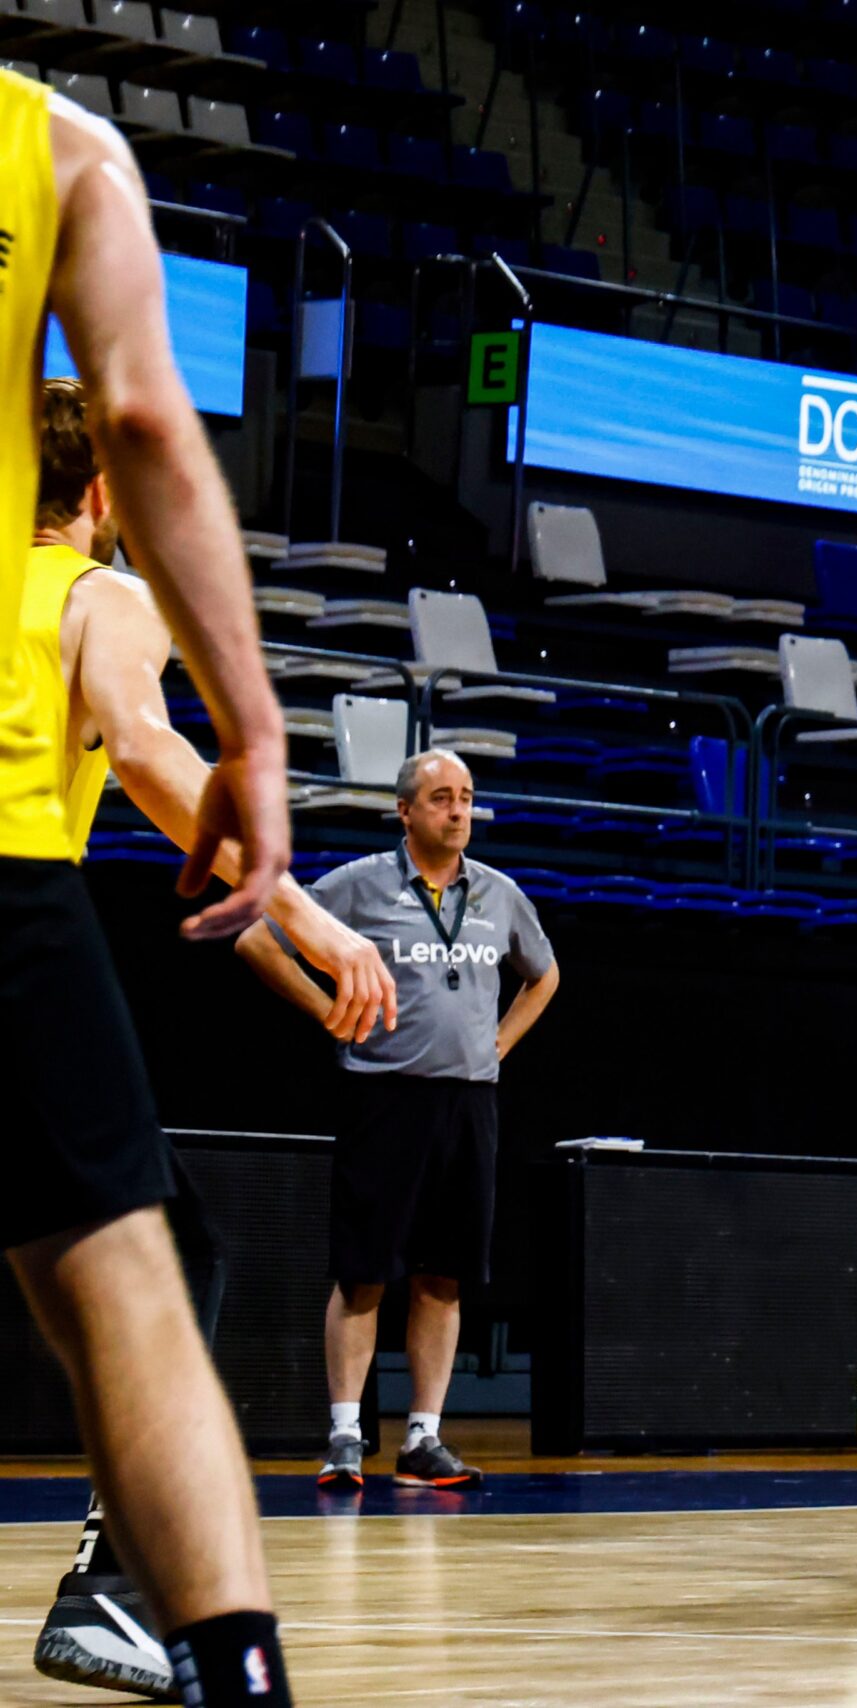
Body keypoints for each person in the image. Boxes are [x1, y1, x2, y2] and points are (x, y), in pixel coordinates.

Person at [21, 376, 399, 1697]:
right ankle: (127, 1587)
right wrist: (321, 924)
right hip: (14, 903)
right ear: (108, 497)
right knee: (167, 1259)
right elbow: (147, 751)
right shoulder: (98, 595)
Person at [0, 65, 301, 1707]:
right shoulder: (53, 149)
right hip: (7, 881)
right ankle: (195, 1638)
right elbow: (142, 743)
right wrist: (260, 758)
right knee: (143, 1273)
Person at [236, 750, 559, 1492]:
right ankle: (346, 1435)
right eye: (442, 798)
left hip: (469, 1103)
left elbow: (545, 974)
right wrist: (326, 1012)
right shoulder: (359, 886)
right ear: (406, 812)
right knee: (363, 1274)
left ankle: (424, 1437)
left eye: (468, 798)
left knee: (444, 1276)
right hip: (385, 1098)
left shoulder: (498, 895)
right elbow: (259, 939)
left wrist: (500, 1041)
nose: (458, 811)